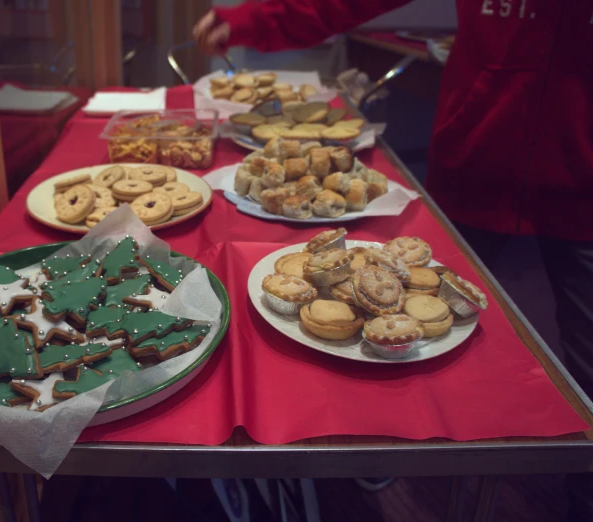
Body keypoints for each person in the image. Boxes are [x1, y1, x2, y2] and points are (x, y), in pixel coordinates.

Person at [194, 0, 593, 517]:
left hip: (585, 184)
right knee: (436, 352)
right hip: (475, 159)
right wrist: (256, 19)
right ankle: (379, 439)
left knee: (582, 360)